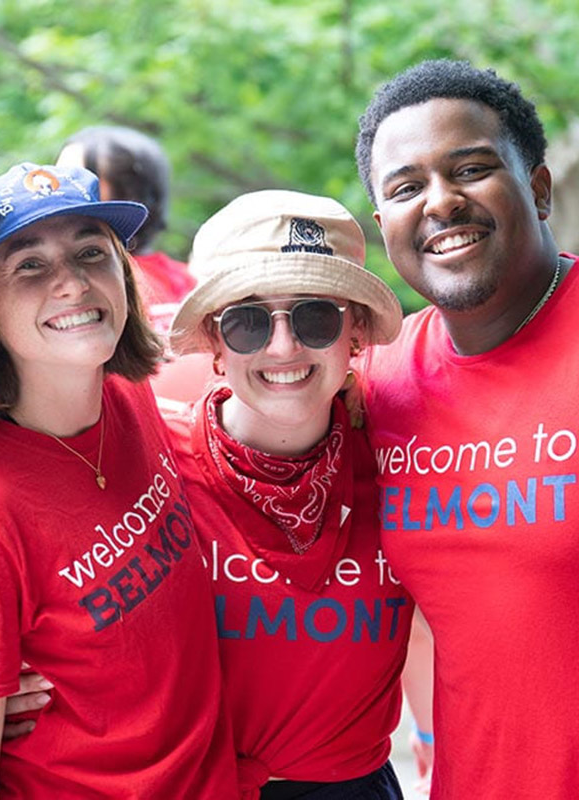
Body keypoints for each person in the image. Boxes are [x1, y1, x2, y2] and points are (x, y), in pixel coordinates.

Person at [0, 163, 238, 798]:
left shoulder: (130, 393)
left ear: (123, 276)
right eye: (29, 265)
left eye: (91, 252)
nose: (71, 282)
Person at [355, 58, 579, 798]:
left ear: (538, 189)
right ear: (383, 221)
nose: (441, 203)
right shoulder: (379, 382)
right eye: (405, 187)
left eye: (471, 169)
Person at [166, 190, 415, 799]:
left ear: (355, 331)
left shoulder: (404, 456)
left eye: (315, 316)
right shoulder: (148, 463)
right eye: (248, 320)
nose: (282, 347)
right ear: (213, 342)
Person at [57, 125, 196, 311]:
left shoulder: (119, 286)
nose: (57, 192)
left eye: (75, 179)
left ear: (131, 194)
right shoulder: (186, 278)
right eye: (57, 177)